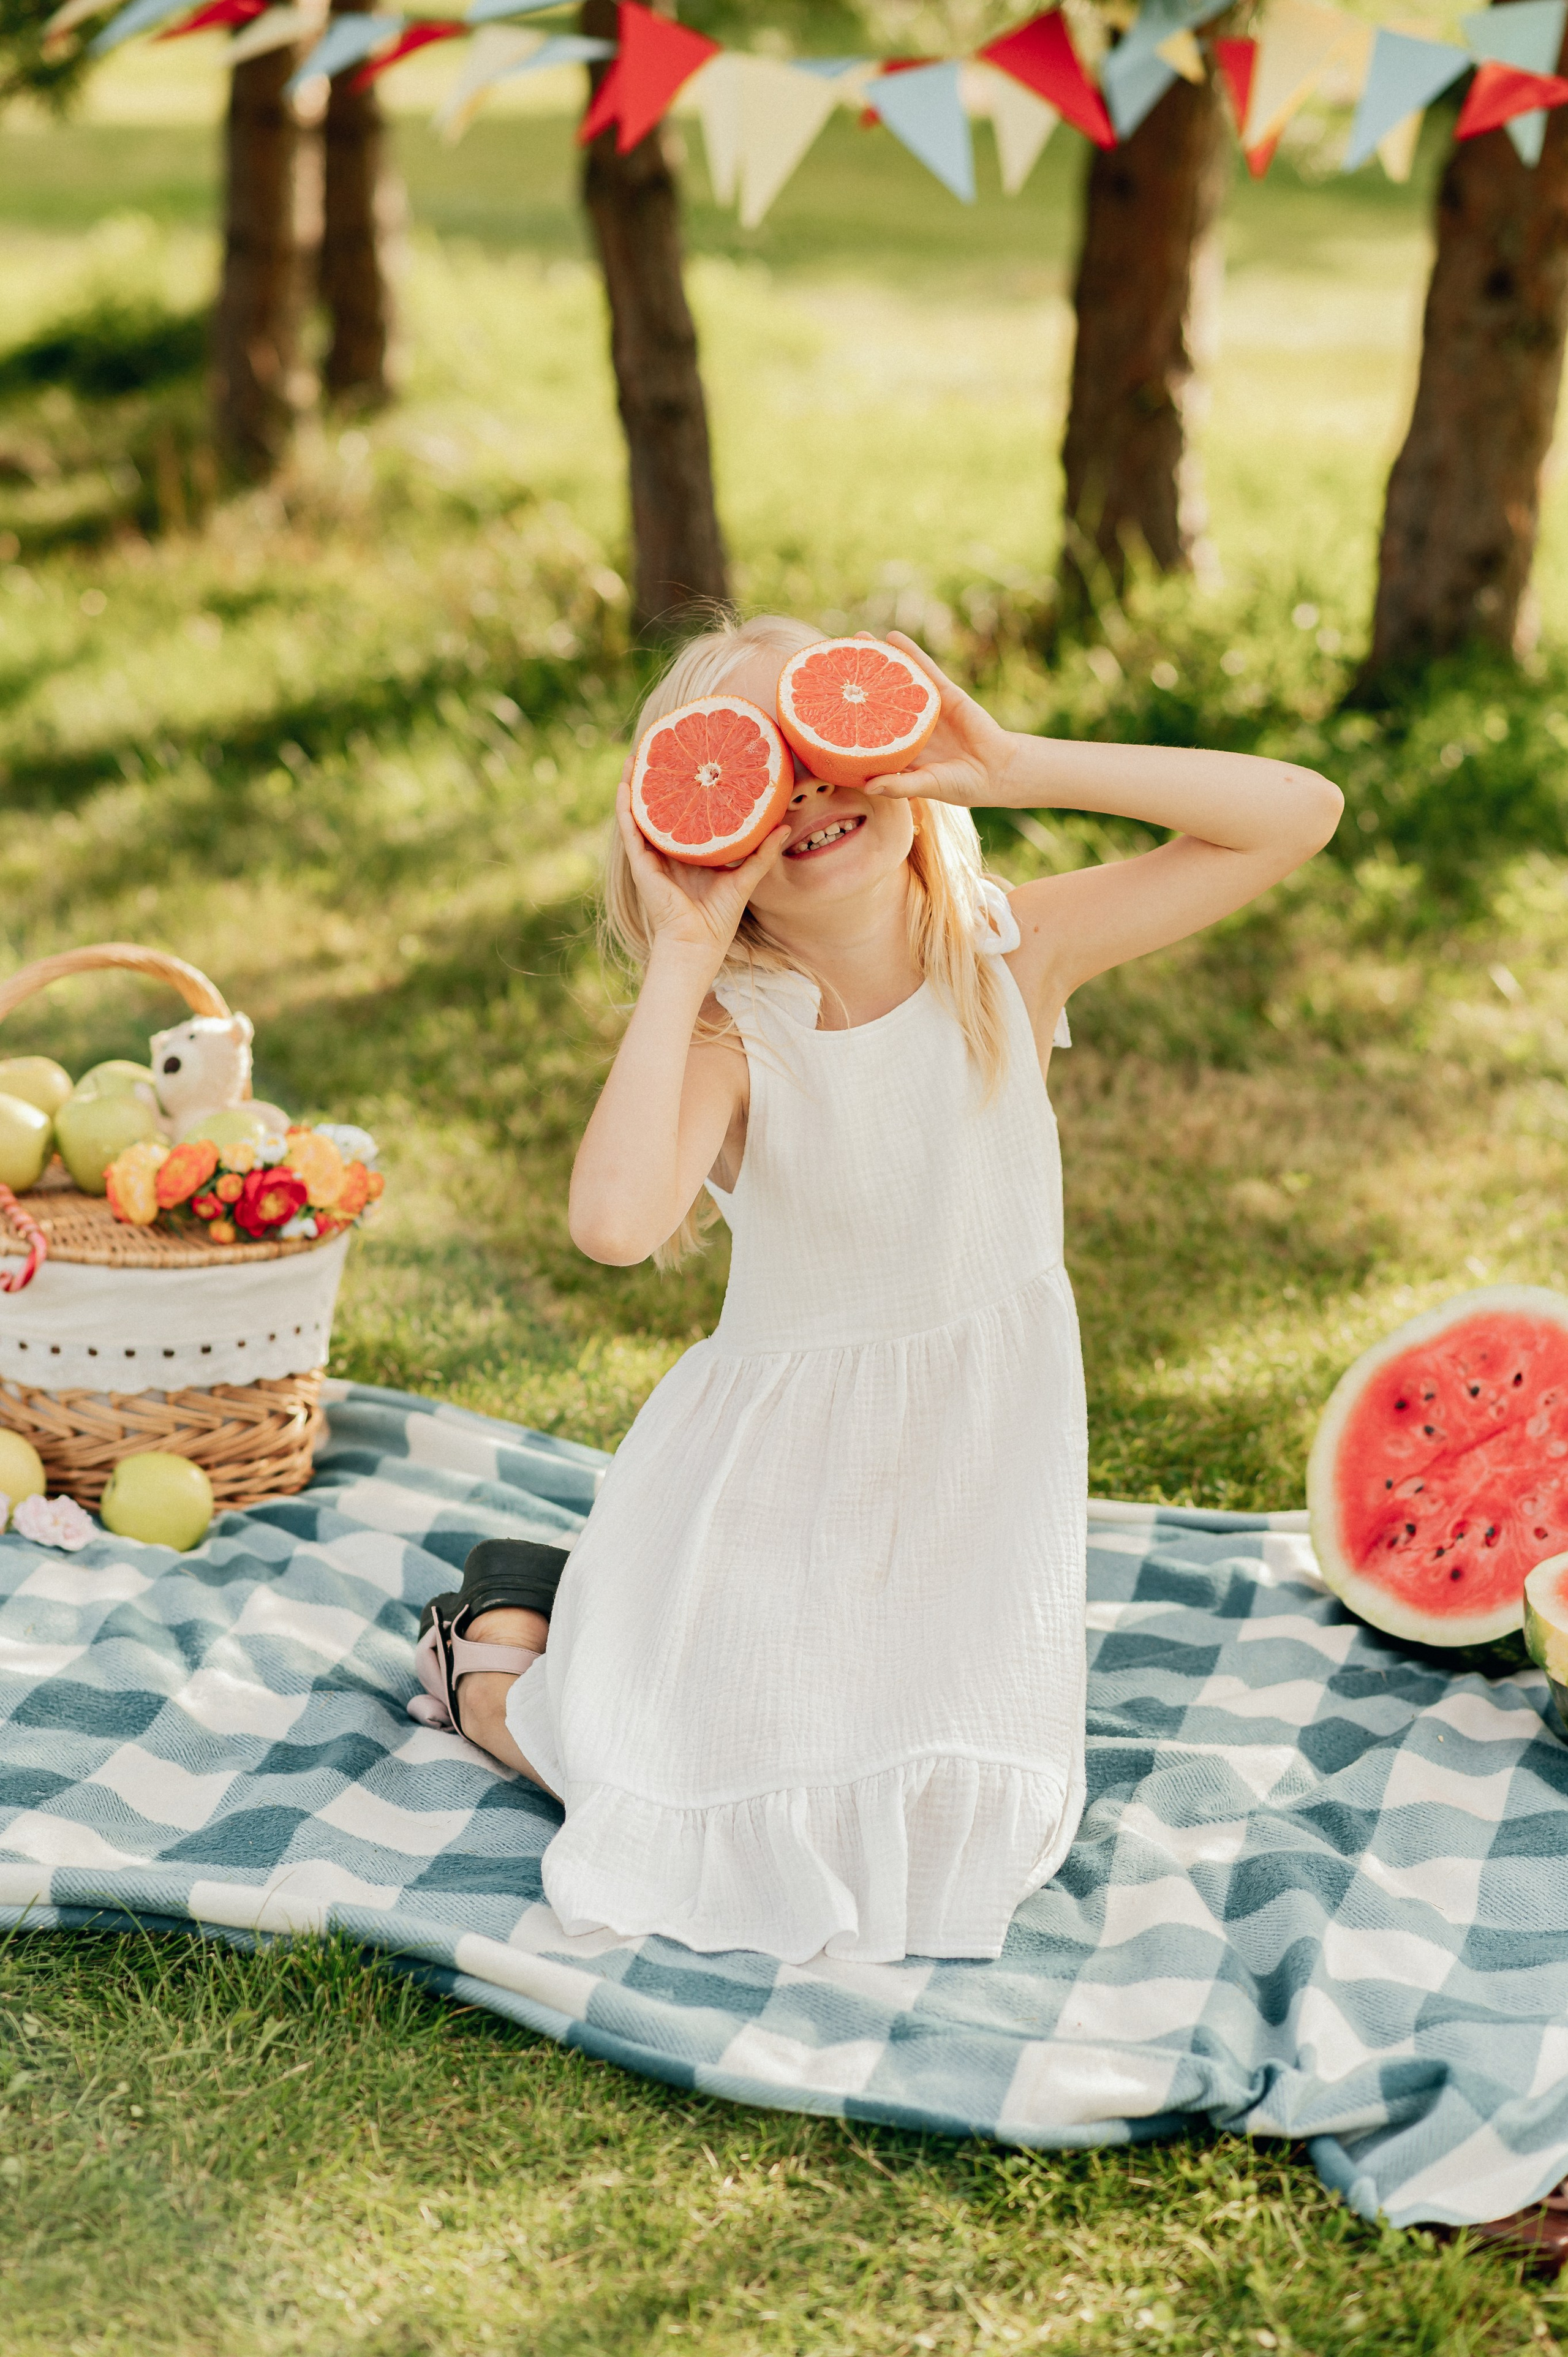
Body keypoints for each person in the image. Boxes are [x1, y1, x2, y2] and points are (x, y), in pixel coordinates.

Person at [411, 614, 1343, 1965]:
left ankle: (572, 1614)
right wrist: (682, 954)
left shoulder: (1008, 950)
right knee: (670, 1806)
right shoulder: (734, 1030)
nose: (803, 794)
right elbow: (612, 1225)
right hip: (774, 1500)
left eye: (826, 747)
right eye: (751, 772)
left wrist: (1009, 764)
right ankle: (498, 1659)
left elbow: (1297, 813)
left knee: (958, 1826)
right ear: (697, 832)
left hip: (971, 1498)